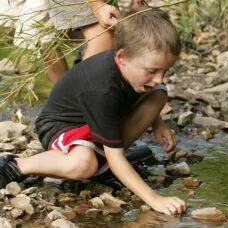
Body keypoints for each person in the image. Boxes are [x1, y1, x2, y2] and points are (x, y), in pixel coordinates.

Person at [0, 7, 187, 215]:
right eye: (152, 71)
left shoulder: (134, 70)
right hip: (63, 126)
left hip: (97, 119)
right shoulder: (102, 87)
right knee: (83, 164)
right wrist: (155, 199)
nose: (159, 78)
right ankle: (16, 164)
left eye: (165, 71)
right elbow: (114, 151)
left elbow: (146, 92)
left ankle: (105, 163)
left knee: (159, 93)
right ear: (122, 57)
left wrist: (157, 122)